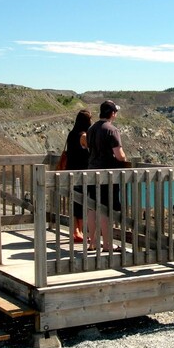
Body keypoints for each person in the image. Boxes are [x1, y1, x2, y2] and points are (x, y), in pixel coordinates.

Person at [86, 100, 127, 252]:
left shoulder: (91, 129)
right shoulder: (112, 130)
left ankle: (93, 242)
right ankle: (108, 245)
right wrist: (124, 158)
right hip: (106, 176)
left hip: (91, 173)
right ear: (112, 113)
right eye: (115, 111)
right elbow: (119, 155)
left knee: (92, 209)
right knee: (105, 210)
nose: (116, 114)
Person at [66, 109, 92, 242]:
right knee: (81, 202)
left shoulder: (71, 134)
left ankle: (75, 231)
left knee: (75, 201)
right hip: (81, 172)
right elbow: (90, 148)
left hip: (70, 171)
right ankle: (80, 232)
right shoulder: (83, 135)